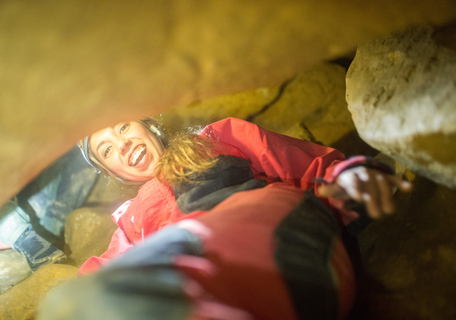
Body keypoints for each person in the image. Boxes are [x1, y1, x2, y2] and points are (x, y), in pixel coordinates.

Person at [45, 117, 411, 319]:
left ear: (149, 125)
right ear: (114, 172)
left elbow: (312, 166)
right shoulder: (128, 221)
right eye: (106, 149)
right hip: (182, 264)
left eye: (122, 127)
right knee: (76, 305)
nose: (121, 144)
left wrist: (351, 180)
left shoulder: (217, 137)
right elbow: (93, 277)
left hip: (271, 231)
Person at [0, 146, 99, 271]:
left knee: (83, 151)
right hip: (16, 233)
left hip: (44, 219)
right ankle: (29, 242)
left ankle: (37, 244)